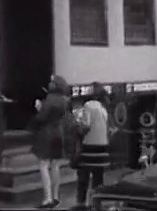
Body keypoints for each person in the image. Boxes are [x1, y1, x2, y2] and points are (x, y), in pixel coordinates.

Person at [31, 75, 70, 208]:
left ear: (55, 84)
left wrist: (39, 108)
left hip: (46, 134)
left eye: (51, 81)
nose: (49, 83)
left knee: (43, 164)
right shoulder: (64, 100)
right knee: (55, 165)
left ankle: (47, 198)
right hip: (58, 133)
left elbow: (42, 117)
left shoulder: (50, 99)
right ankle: (56, 196)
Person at [71, 82, 111, 211]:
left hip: (90, 148)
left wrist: (77, 126)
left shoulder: (89, 105)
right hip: (102, 148)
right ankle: (97, 204)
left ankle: (81, 204)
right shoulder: (103, 108)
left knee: (83, 177)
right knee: (98, 179)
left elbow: (86, 125)